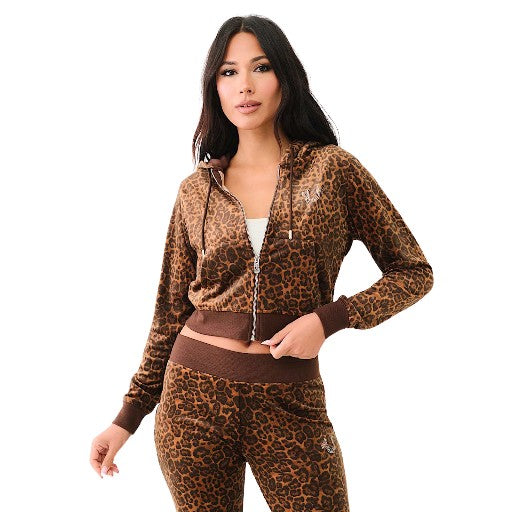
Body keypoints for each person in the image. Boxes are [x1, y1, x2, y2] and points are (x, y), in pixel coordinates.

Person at [90, 15, 434, 512]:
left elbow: (413, 271)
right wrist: (126, 418)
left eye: (261, 67)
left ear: (285, 78)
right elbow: (169, 313)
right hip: (193, 400)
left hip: (290, 400)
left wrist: (328, 319)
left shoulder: (333, 170)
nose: (244, 85)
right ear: (214, 88)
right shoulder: (196, 191)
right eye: (228, 72)